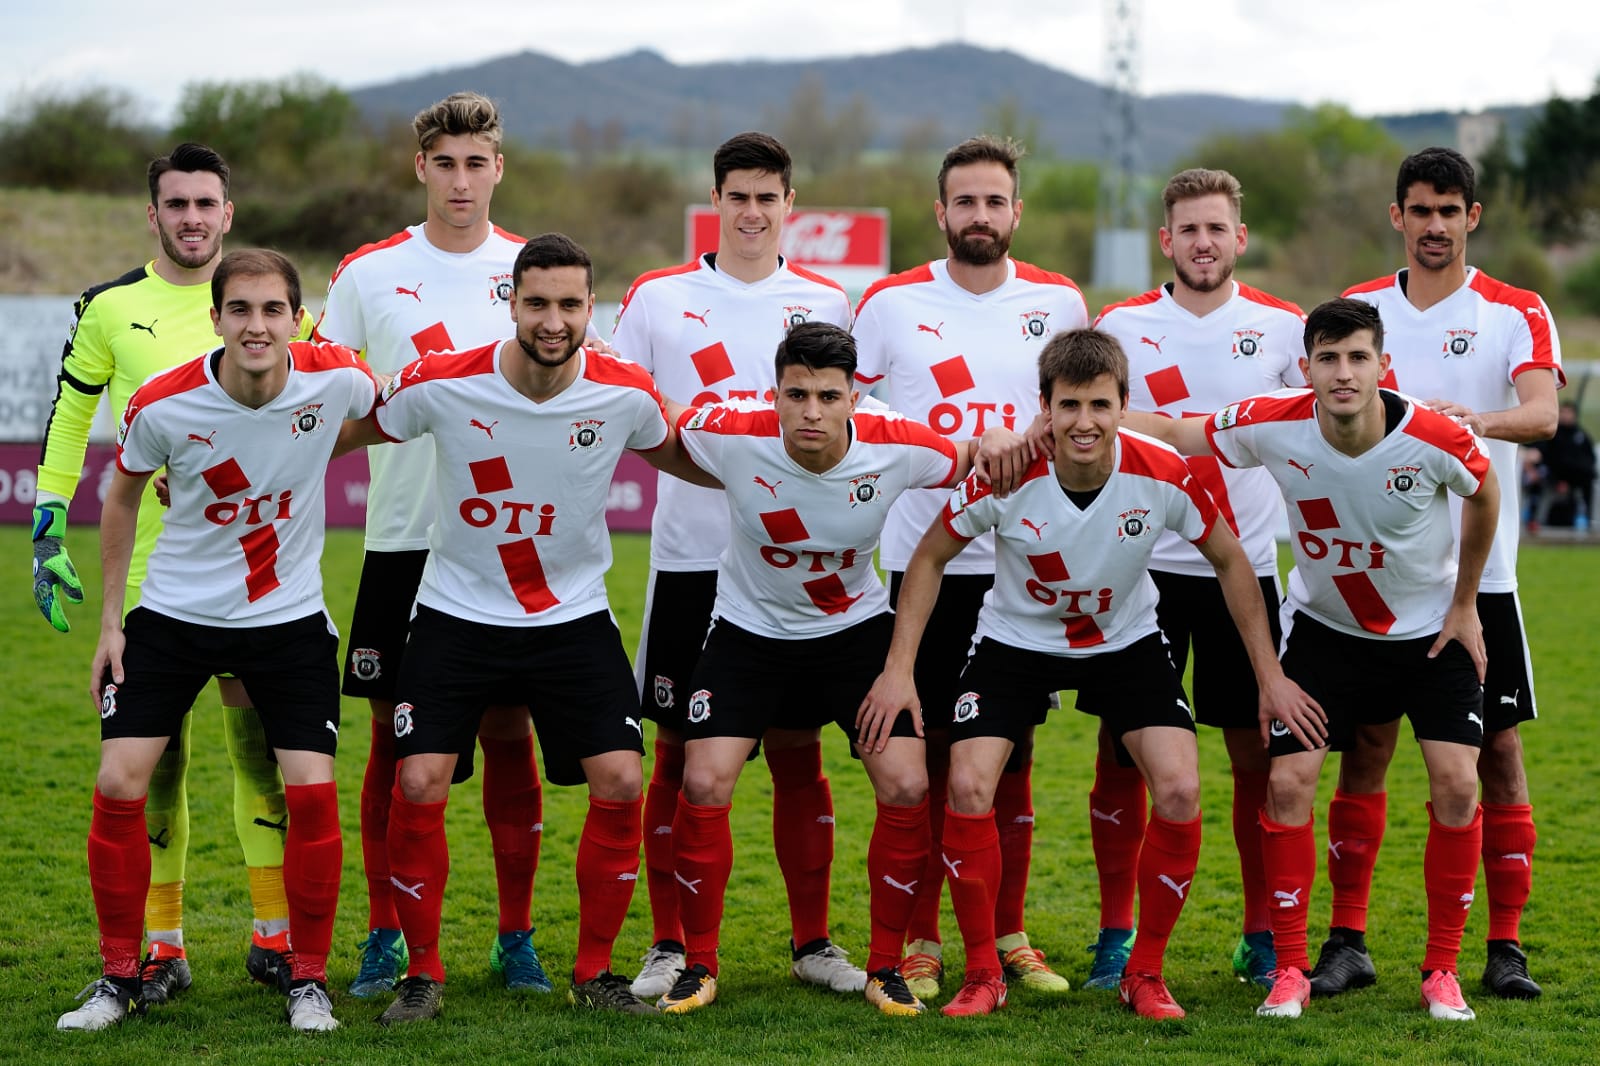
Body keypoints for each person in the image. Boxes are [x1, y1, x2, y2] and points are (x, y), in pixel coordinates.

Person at [863, 328, 1316, 1018]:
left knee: (1180, 787)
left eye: (1100, 405)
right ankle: (984, 971)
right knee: (967, 780)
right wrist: (899, 670)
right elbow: (927, 558)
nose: (1085, 422)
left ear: (1123, 404)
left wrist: (1269, 675)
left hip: (1126, 642)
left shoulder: (1162, 470)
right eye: (1069, 405)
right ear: (1044, 408)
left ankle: (1145, 972)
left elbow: (1230, 559)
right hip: (1016, 641)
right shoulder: (1009, 474)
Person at [341, 232, 713, 1023]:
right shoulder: (441, 383)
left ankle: (593, 973)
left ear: (591, 310)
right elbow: (342, 432)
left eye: (570, 305)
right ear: (510, 302)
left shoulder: (624, 392)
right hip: (455, 613)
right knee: (417, 780)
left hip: (571, 620)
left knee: (620, 779)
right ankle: (424, 976)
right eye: (537, 303)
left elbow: (694, 455)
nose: (553, 320)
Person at [1142, 297, 1499, 1021]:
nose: (1343, 373)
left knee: (1459, 784)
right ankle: (1291, 968)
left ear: (1382, 365)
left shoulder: (1434, 438)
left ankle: (1442, 970)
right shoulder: (1272, 421)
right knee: (1288, 782)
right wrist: (1075, 422)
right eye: (1328, 358)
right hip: (1324, 633)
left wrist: (1464, 603)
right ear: (1305, 367)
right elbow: (1178, 431)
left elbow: (1484, 492)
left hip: (1427, 634)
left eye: (1358, 357)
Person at [656, 322, 1021, 1017]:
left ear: (857, 396)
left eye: (829, 395)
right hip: (747, 632)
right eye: (797, 395)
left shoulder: (898, 444)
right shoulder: (734, 431)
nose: (812, 412)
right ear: (777, 394)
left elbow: (973, 453)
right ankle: (697, 963)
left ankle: (885, 965)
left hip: (853, 636)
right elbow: (656, 428)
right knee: (701, 780)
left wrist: (996, 442)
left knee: (909, 781)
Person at [57, 249, 379, 1032]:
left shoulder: (338, 376)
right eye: (241, 311)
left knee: (308, 790)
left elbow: (395, 411)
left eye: (273, 310)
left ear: (295, 320)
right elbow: (121, 494)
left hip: (288, 619)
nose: (257, 326)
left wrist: (308, 450)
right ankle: (118, 977)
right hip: (173, 616)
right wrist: (110, 622)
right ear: (217, 319)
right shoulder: (165, 404)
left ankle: (308, 980)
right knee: (119, 782)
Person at [33, 143, 295, 1005]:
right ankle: (162, 944)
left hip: (260, 573)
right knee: (157, 762)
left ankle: (272, 934)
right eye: (175, 204)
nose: (191, 217)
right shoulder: (109, 309)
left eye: (205, 203)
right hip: (153, 578)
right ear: (154, 214)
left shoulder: (268, 310)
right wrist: (46, 521)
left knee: (261, 753)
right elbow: (71, 420)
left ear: (229, 212)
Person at [610, 132, 861, 1000]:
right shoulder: (658, 297)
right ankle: (671, 944)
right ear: (714, 200)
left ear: (791, 203)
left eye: (768, 197)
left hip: (797, 566)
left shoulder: (827, 300)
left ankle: (812, 942)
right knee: (678, 758)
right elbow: (623, 409)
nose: (753, 213)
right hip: (691, 560)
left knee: (798, 753)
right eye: (737, 196)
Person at [313, 91, 550, 997]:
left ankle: (516, 936)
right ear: (421, 168)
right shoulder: (369, 274)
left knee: (510, 729)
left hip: (503, 542)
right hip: (404, 539)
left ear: (499, 167)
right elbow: (318, 395)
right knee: (391, 743)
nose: (461, 180)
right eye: (444, 163)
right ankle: (384, 932)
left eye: (476, 162)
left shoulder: (531, 270)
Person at [1316, 147, 1563, 1001]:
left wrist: (1470, 422)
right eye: (1419, 210)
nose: (1433, 226)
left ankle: (1503, 945)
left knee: (1496, 756)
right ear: (1397, 217)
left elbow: (1542, 415)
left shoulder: (1513, 310)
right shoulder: (1363, 312)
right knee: (1369, 751)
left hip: (1479, 580)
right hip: (1373, 580)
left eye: (1448, 211)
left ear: (1472, 218)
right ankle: (1347, 939)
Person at [850, 134, 1089, 999]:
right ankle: (919, 938)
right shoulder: (886, 303)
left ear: (1015, 211)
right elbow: (855, 414)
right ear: (940, 210)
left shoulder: (1059, 301)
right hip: (929, 563)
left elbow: (1079, 416)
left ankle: (1006, 932)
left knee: (1010, 757)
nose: (980, 216)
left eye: (996, 202)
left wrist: (1026, 442)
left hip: (1025, 570)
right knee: (932, 757)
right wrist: (959, 446)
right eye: (965, 202)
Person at [1091, 168, 1306, 989]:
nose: (1204, 242)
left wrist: (1188, 432)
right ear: (1166, 239)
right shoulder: (1123, 324)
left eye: (1217, 228)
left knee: (1255, 750)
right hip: (1139, 567)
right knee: (1121, 755)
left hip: (1242, 567)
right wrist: (1197, 428)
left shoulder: (1283, 328)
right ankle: (1116, 935)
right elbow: (1095, 414)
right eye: (1189, 229)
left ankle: (1260, 932)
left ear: (1239, 238)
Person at [1531, 402, 1593, 528]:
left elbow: (1590, 458)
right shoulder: (1552, 433)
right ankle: (1536, 521)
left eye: (1568, 413)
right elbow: (1546, 457)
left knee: (1590, 484)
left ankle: (1589, 519)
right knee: (1541, 487)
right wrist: (1558, 479)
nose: (1565, 416)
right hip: (1553, 476)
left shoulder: (1581, 435)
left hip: (1576, 478)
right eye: (1563, 412)